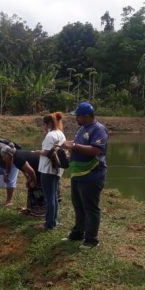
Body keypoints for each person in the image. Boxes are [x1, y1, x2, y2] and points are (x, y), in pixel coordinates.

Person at [61, 102, 109, 249]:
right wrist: (70, 147)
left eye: (78, 116)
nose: (76, 118)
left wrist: (74, 146)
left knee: (90, 207)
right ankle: (77, 233)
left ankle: (91, 239)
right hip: (78, 173)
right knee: (78, 205)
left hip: (92, 175)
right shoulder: (82, 129)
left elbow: (96, 150)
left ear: (87, 116)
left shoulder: (99, 129)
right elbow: (77, 145)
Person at [37, 112, 67, 230]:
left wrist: (36, 152)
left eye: (44, 124)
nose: (43, 126)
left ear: (48, 123)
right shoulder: (61, 134)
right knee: (54, 196)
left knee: (49, 198)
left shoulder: (50, 135)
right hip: (57, 169)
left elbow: (47, 152)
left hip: (48, 169)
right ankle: (54, 221)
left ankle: (49, 224)